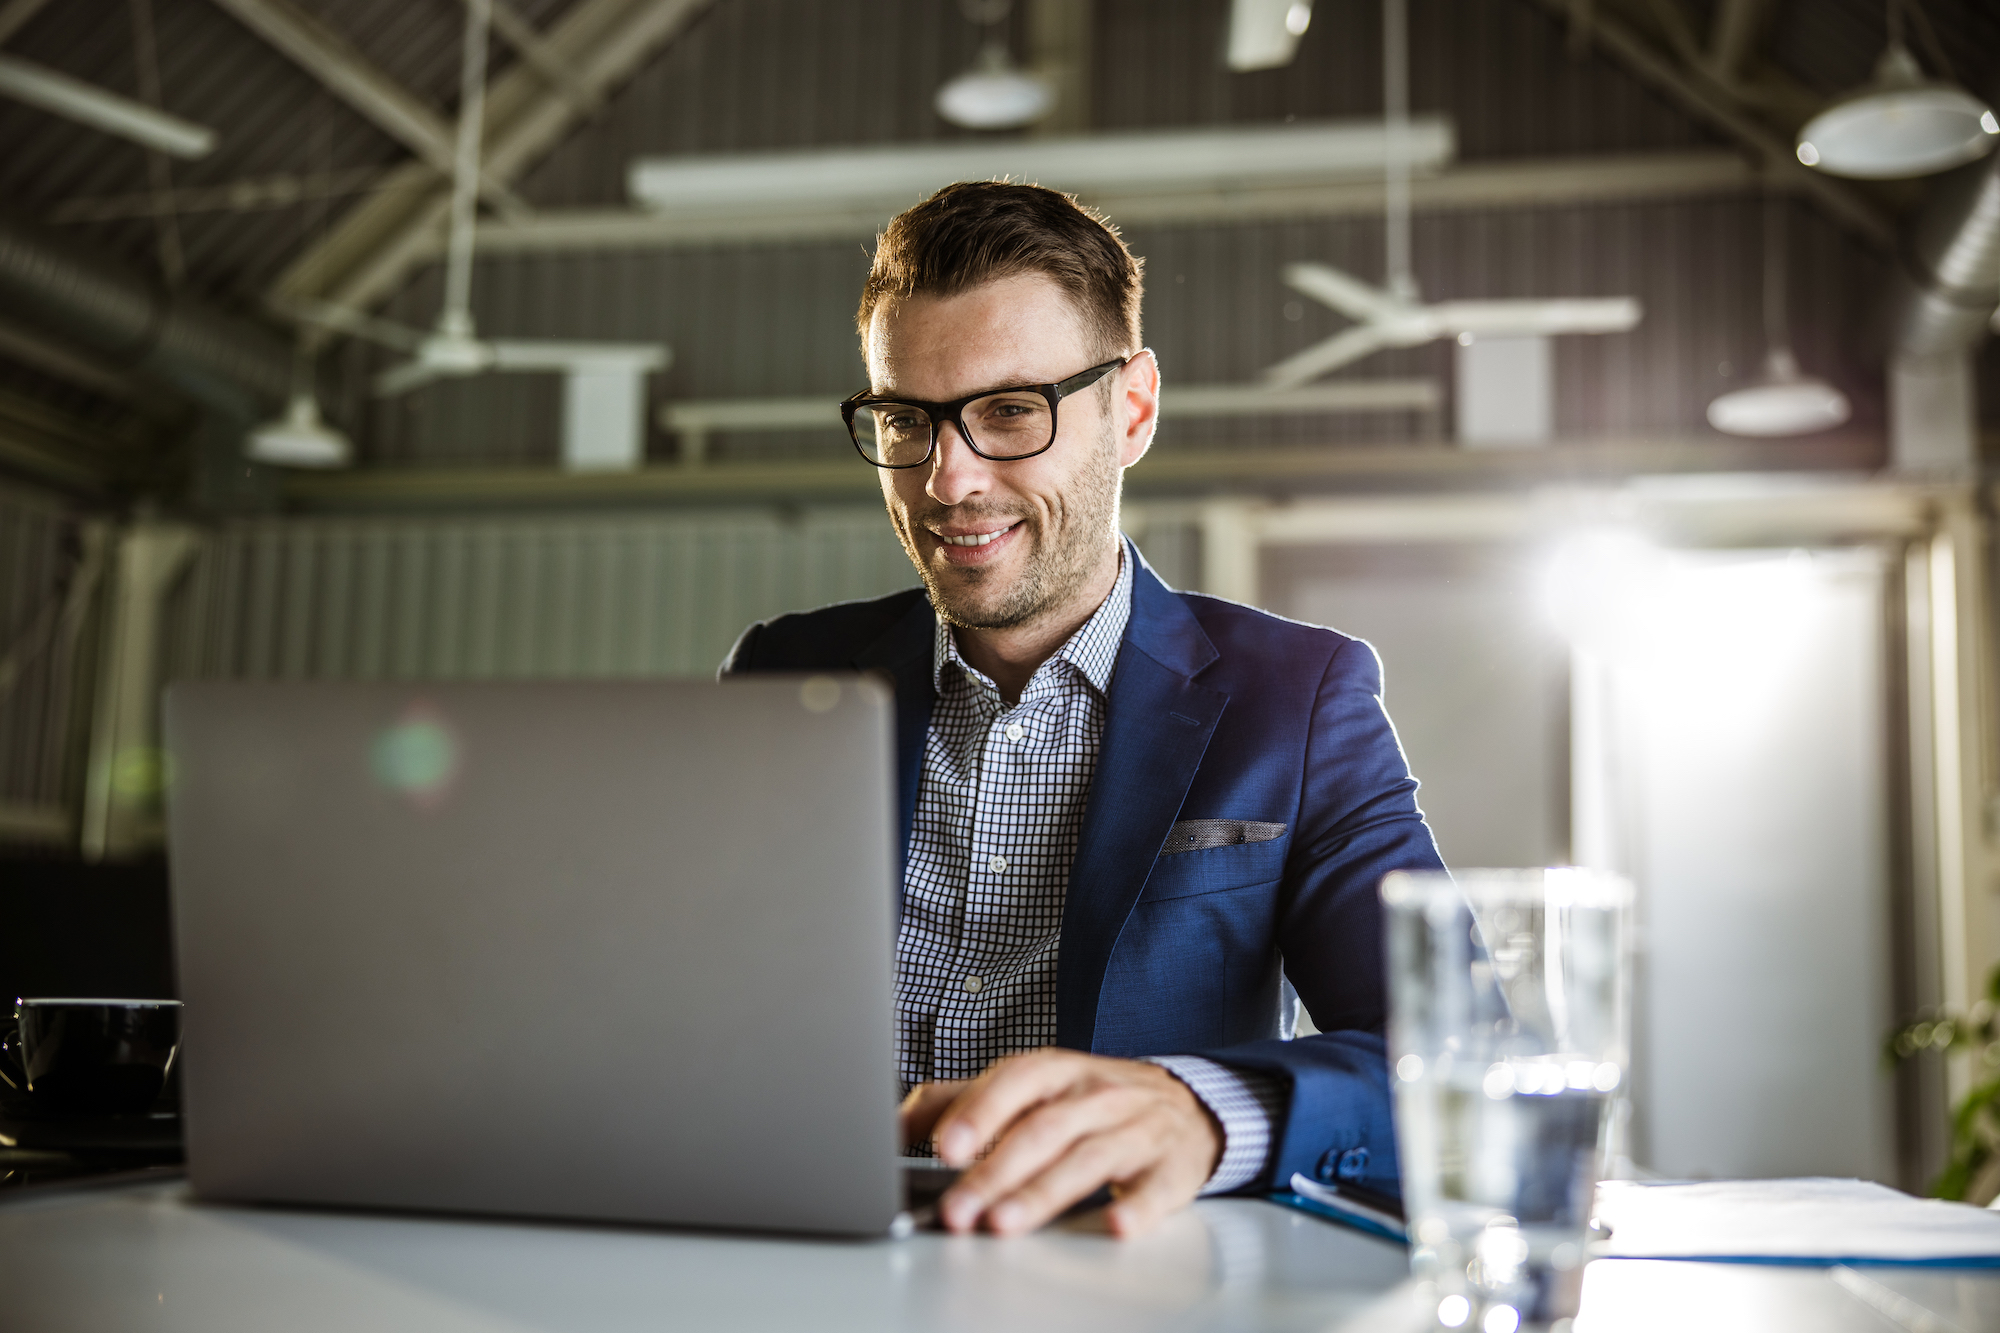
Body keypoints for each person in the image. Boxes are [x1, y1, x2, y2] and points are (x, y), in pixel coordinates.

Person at [723, 181, 1445, 1239]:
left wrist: (1202, 1110)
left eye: (1009, 411)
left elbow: (1452, 1055)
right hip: (797, 1264)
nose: (946, 479)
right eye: (904, 420)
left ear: (1132, 409)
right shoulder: (784, 674)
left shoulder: (1297, 700)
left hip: (1111, 1274)